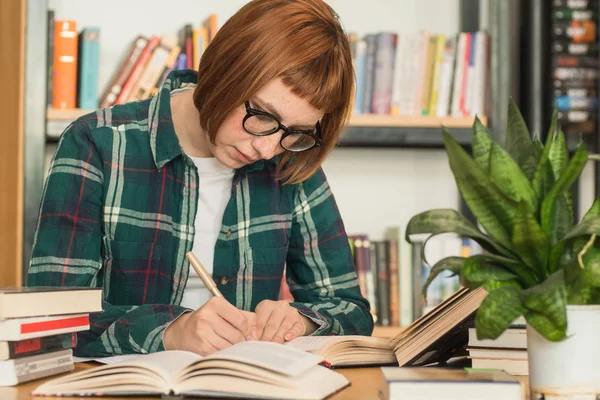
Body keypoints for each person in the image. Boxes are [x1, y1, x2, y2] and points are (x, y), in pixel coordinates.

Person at [27, 0, 373, 357]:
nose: (268, 149)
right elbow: (49, 319)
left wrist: (301, 321)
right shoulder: (97, 143)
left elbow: (351, 310)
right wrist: (169, 332)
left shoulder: (291, 158)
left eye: (297, 131)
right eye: (262, 115)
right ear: (224, 71)